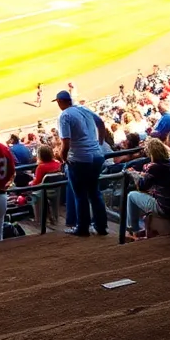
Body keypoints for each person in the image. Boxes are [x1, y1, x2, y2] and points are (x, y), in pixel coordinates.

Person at [57, 91, 109, 237]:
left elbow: (65, 142)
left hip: (79, 158)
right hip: (96, 156)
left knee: (80, 195)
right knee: (94, 192)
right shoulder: (83, 108)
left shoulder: (64, 115)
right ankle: (101, 226)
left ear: (61, 101)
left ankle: (82, 227)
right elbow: (101, 123)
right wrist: (99, 144)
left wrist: (63, 158)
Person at [125, 138, 170, 235]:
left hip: (166, 208)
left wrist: (134, 174)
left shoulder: (154, 167)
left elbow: (141, 187)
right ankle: (145, 227)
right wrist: (143, 174)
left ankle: (132, 230)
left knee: (131, 195)